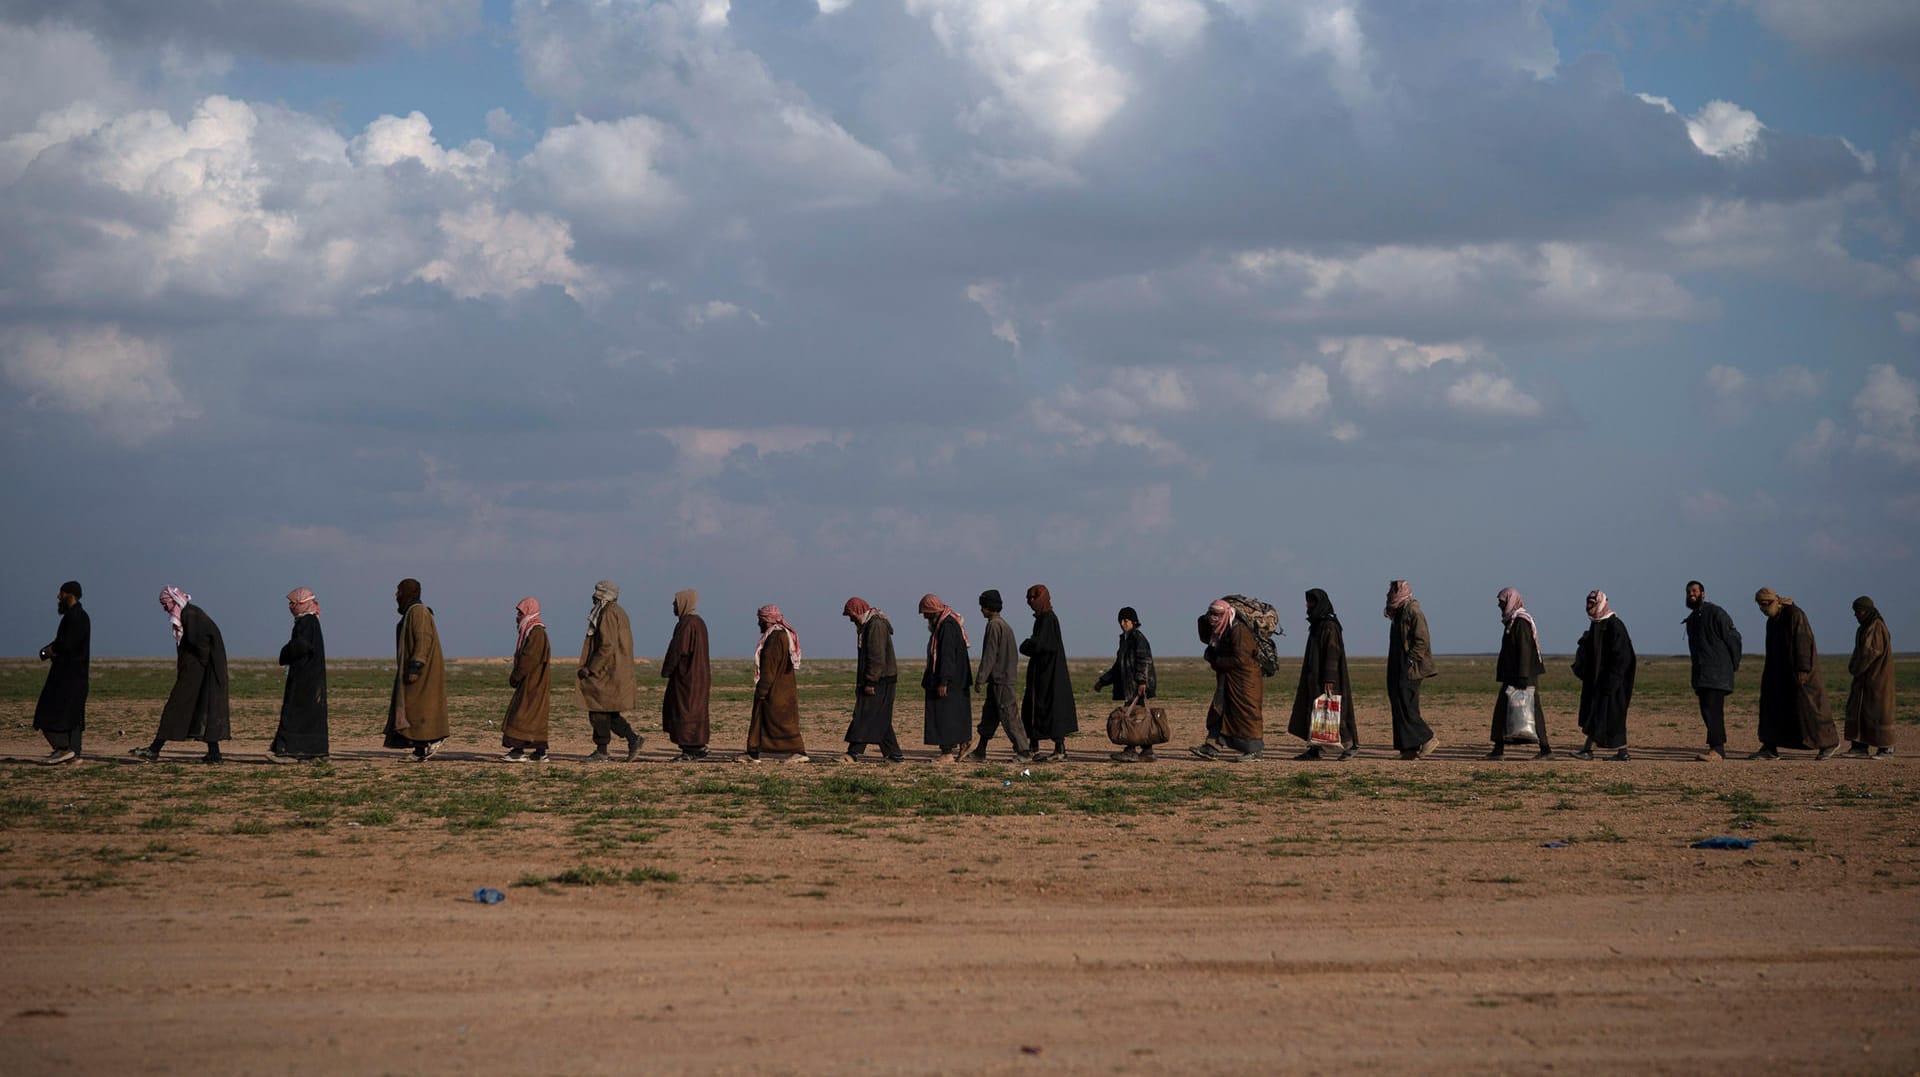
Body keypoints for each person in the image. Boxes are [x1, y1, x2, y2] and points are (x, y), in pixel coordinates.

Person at [132, 587, 231, 764]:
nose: (165, 608)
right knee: (204, 708)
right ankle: (214, 754)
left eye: (165, 603)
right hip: (201, 672)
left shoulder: (190, 615)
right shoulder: (191, 614)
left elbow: (200, 645)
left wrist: (195, 669)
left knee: (175, 707)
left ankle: (154, 750)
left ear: (174, 601)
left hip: (197, 673)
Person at [1752, 588, 1839, 760]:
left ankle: (1828, 743)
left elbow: (1803, 641)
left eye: (1765, 604)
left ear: (1774, 601)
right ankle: (1770, 747)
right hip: (1778, 673)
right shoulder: (1772, 620)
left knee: (1810, 707)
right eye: (1760, 606)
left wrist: (1803, 669)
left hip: (1799, 672)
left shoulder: (1794, 615)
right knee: (1773, 708)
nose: (1763, 609)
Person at [383, 578, 449, 762]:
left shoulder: (418, 612)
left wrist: (415, 666)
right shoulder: (412, 612)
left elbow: (423, 638)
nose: (396, 595)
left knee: (419, 708)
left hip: (421, 672)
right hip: (415, 670)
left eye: (399, 591)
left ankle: (433, 739)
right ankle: (420, 749)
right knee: (416, 710)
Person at [1190, 599, 1264, 761]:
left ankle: (1254, 750)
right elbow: (1205, 634)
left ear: (1226, 614)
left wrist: (1217, 662)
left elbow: (1241, 659)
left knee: (1246, 714)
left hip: (1245, 680)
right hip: (1228, 678)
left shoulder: (1239, 630)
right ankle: (1212, 747)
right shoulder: (1222, 630)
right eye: (1211, 614)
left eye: (1217, 615)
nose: (1213, 618)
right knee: (1220, 709)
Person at [1288, 589, 1357, 760]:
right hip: (1315, 677)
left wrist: (1329, 678)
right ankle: (1315, 749)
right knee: (1316, 712)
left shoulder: (1329, 626)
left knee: (1335, 712)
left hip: (1328, 679)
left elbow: (1332, 653)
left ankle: (1350, 745)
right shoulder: (1317, 624)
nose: (1308, 605)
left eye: (1311, 602)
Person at [579, 580, 641, 763]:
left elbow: (607, 645)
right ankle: (633, 739)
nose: (593, 596)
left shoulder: (607, 613)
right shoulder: (618, 612)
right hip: (614, 670)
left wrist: (591, 668)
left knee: (597, 709)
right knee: (608, 711)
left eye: (596, 593)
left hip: (607, 671)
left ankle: (602, 750)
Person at [1485, 587, 1551, 760]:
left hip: (1523, 675)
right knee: (1503, 710)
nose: (1499, 605)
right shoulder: (1512, 621)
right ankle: (1499, 749)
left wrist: (1522, 677)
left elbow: (1524, 651)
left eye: (1502, 601)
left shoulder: (1521, 622)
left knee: (1532, 710)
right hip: (1514, 674)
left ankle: (1545, 749)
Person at [968, 590, 1032, 762]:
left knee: (1009, 715)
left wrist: (980, 678)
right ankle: (981, 750)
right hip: (1000, 679)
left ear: (989, 607)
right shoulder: (1004, 625)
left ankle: (1023, 751)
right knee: (990, 715)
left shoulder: (994, 626)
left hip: (1001, 681)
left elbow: (990, 655)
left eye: (982, 607)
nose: (981, 610)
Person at [1683, 580, 1743, 762]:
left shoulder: (1716, 613)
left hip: (1717, 672)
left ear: (1703, 593)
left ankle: (1717, 750)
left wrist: (1733, 664)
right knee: (1707, 710)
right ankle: (1717, 748)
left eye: (1694, 591)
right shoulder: (1693, 619)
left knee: (1713, 710)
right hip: (1702, 674)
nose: (1691, 594)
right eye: (1688, 592)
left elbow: (1734, 638)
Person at [1572, 590, 1635, 761]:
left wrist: (1612, 679)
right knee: (1602, 716)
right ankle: (1621, 753)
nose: (1588, 607)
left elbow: (1623, 656)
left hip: (1613, 682)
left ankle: (1588, 750)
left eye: (1592, 604)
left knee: (1606, 716)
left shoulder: (1614, 625)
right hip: (1600, 681)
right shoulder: (1597, 624)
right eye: (1588, 603)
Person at [267, 587, 328, 763]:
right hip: (309, 675)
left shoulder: (307, 622)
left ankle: (290, 751)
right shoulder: (310, 621)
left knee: (295, 713)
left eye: (293, 603)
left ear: (302, 604)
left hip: (304, 676)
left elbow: (301, 645)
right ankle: (313, 752)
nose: (290, 607)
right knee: (310, 715)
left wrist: (285, 653)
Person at [33, 581, 89, 765]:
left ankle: (65, 749)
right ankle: (72, 754)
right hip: (73, 675)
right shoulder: (76, 616)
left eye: (61, 593)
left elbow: (66, 644)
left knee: (47, 712)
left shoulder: (76, 617)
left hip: (68, 676)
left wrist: (50, 650)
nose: (58, 597)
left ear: (70, 595)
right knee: (72, 716)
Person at [741, 605, 807, 763]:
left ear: (767, 620)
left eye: (760, 620)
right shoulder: (781, 635)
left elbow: (769, 666)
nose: (758, 623)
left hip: (775, 689)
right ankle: (754, 752)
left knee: (780, 723)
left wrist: (762, 690)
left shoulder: (775, 637)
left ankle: (798, 751)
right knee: (777, 721)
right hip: (782, 688)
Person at [841, 597, 903, 764]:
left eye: (851, 615)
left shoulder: (875, 625)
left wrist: (870, 682)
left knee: (865, 715)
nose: (851, 619)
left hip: (880, 680)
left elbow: (876, 657)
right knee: (879, 717)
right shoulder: (869, 625)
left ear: (858, 611)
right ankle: (894, 755)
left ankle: (853, 752)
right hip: (880, 678)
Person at [1019, 584, 1078, 761]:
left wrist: (1026, 645)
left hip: (1051, 675)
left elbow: (1041, 645)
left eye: (1033, 598)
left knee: (1053, 709)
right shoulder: (1042, 619)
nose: (1030, 602)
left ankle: (1058, 749)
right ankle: (1034, 746)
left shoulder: (1049, 619)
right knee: (1033, 709)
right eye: (1028, 598)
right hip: (1041, 674)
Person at [1095, 606, 1158, 762]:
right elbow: (1118, 666)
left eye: (1126, 620)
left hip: (1138, 686)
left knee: (1133, 717)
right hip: (1130, 686)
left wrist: (1142, 682)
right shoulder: (1125, 640)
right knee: (1139, 717)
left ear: (1134, 622)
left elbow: (1144, 660)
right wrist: (1103, 681)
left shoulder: (1138, 638)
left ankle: (1131, 749)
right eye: (1121, 621)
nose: (1123, 623)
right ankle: (1147, 750)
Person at [1384, 580, 1438, 760]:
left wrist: (1409, 661)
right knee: (1399, 705)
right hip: (1397, 664)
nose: (1389, 594)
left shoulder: (1413, 612)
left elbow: (1422, 640)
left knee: (1407, 706)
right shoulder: (1398, 612)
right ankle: (1408, 748)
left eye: (1393, 591)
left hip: (1410, 668)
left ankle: (1428, 738)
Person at [919, 594, 974, 762]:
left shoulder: (947, 626)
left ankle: (947, 753)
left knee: (944, 714)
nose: (925, 616)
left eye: (926, 613)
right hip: (956, 679)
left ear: (933, 611)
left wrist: (944, 681)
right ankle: (963, 742)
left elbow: (947, 656)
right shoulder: (947, 623)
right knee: (955, 713)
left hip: (950, 680)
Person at [661, 589, 712, 761]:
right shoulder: (699, 623)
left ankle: (690, 749)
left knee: (685, 711)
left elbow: (677, 650)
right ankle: (696, 746)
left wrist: (667, 669)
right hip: (699, 677)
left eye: (675, 602)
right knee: (694, 710)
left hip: (687, 678)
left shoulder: (687, 624)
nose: (673, 605)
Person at [1844, 596, 1895, 758]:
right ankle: (1859, 747)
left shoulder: (1876, 626)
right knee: (1860, 711)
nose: (1856, 615)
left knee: (1879, 712)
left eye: (1858, 612)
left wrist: (1857, 667)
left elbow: (1870, 652)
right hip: (1864, 679)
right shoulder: (1865, 627)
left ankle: (1886, 748)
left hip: (1877, 679)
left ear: (1866, 611)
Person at [502, 597, 551, 762]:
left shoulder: (536, 631)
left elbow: (529, 657)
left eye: (520, 612)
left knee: (522, 715)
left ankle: (518, 750)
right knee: (533, 716)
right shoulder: (532, 630)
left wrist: (517, 675)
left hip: (533, 681)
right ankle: (539, 752)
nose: (518, 615)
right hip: (531, 681)